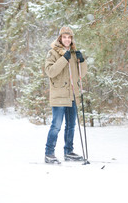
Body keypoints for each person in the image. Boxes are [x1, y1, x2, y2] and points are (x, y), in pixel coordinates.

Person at [44, 26, 87, 164]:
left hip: (72, 95)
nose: (67, 39)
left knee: (71, 126)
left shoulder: (74, 54)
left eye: (69, 37)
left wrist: (82, 61)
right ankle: (49, 153)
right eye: (64, 37)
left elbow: (82, 74)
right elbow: (50, 72)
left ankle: (69, 152)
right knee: (56, 126)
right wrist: (64, 59)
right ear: (60, 38)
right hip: (59, 95)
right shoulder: (53, 53)